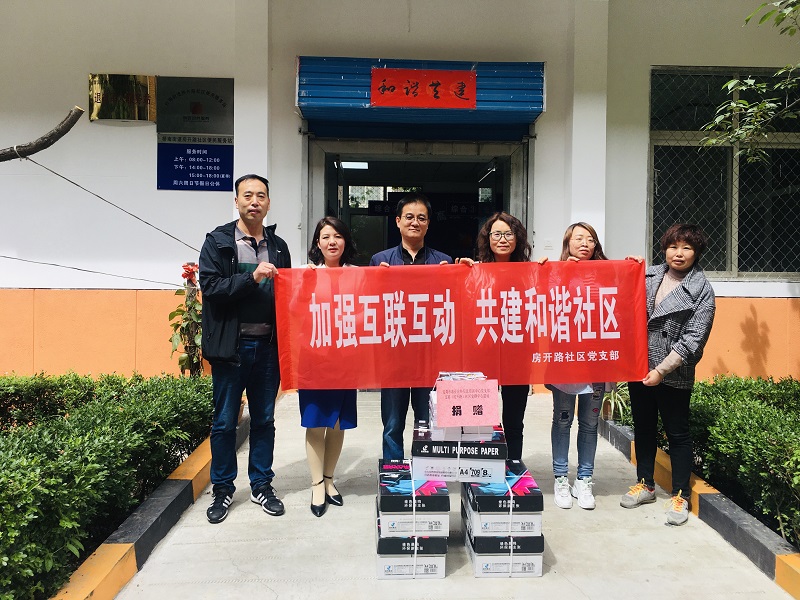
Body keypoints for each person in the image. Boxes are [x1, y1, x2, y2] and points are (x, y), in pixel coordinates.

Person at [199, 174, 291, 524]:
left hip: (268, 348)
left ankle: (261, 484)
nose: (255, 201)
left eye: (261, 196)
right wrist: (251, 278)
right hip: (232, 348)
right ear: (236, 201)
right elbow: (211, 287)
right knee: (225, 422)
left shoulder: (278, 246)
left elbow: (288, 294)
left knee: (264, 420)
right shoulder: (218, 242)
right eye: (248, 195)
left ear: (268, 203)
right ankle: (223, 489)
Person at [619, 223, 715, 526]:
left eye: (687, 247)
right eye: (673, 246)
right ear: (664, 249)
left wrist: (661, 370)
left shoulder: (702, 290)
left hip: (673, 371)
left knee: (677, 433)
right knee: (644, 427)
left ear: (697, 252)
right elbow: (616, 299)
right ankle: (645, 483)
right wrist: (627, 268)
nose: (679, 253)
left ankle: (680, 495)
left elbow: (694, 339)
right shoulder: (647, 276)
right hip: (639, 367)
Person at [369, 193, 452, 460]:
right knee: (392, 423)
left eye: (421, 218)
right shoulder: (380, 261)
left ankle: (427, 472)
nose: (415, 222)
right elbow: (369, 307)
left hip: (430, 356)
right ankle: (394, 473)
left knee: (428, 421)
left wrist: (454, 276)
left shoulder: (443, 262)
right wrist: (377, 281)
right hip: (394, 355)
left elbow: (455, 306)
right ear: (397, 221)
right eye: (409, 217)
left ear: (428, 224)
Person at [539, 222, 608, 510]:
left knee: (590, 424)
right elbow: (545, 303)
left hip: (597, 360)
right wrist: (556, 273)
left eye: (590, 239)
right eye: (578, 238)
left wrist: (635, 266)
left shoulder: (606, 273)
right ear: (567, 243)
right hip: (566, 359)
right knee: (563, 419)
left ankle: (584, 479)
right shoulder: (556, 272)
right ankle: (560, 478)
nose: (585, 244)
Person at [456, 212, 532, 461]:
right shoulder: (474, 271)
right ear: (487, 239)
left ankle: (513, 468)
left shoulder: (530, 272)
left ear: (517, 238)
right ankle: (484, 471)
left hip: (517, 355)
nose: (502, 239)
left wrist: (552, 270)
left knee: (514, 422)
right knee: (482, 419)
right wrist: (457, 273)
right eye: (496, 234)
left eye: (508, 234)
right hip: (482, 355)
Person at [299, 217, 359, 517]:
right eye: (326, 237)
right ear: (317, 243)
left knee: (337, 422)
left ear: (345, 241)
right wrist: (302, 284)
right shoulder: (307, 274)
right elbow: (294, 312)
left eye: (337, 236)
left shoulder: (358, 275)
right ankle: (316, 485)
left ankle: (330, 478)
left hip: (345, 359)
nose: (332, 242)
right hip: (314, 359)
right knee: (315, 421)